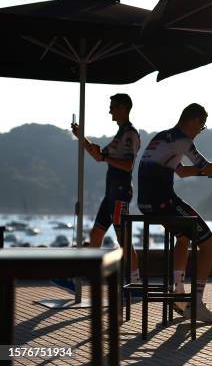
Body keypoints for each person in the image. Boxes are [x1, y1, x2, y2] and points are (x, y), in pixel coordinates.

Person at [137, 103, 212, 323]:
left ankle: (178, 293)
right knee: (210, 245)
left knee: (183, 237)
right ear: (194, 121)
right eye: (202, 126)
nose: (201, 131)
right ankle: (196, 304)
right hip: (164, 202)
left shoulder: (163, 137)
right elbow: (206, 167)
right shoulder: (183, 140)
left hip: (146, 204)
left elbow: (182, 172)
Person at [52, 93, 141, 293]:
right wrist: (81, 136)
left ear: (124, 108)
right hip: (111, 194)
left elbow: (127, 165)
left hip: (120, 194)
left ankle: (135, 283)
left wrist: (105, 157)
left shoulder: (130, 134)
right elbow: (98, 156)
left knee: (123, 239)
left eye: (113, 106)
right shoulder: (121, 134)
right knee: (96, 235)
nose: (110, 111)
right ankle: (77, 280)